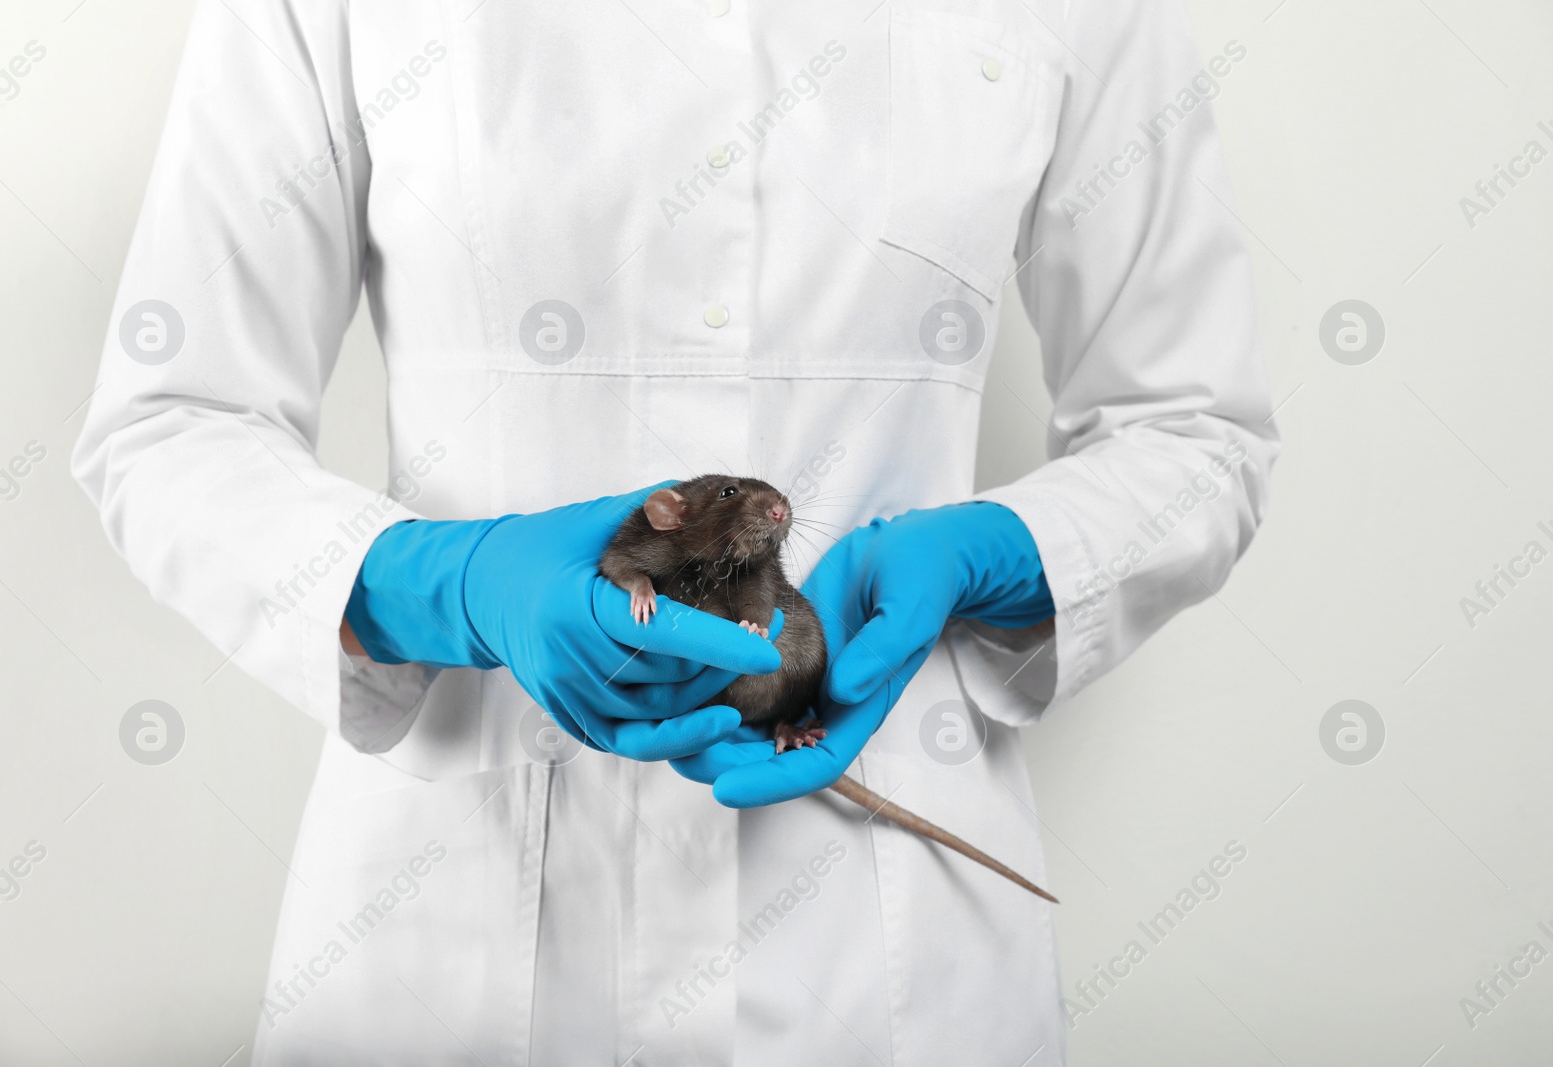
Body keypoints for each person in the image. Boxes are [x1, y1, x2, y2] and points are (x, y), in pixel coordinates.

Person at [73, 0, 1277, 1062]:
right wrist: (441, 582)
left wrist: (1001, 551)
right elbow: (174, 417)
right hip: (446, 928)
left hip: (888, 945)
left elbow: (1192, 428)